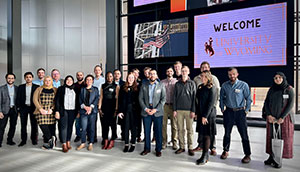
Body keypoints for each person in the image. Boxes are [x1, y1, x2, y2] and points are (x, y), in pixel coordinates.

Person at [219, 67, 252, 163]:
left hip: (240, 112)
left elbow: (248, 99)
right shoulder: (225, 85)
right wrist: (222, 108)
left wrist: (246, 110)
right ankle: (225, 150)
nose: (232, 76)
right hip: (228, 112)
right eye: (230, 74)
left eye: (233, 74)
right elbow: (221, 98)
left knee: (244, 134)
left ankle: (247, 154)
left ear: (237, 74)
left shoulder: (243, 85)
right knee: (227, 133)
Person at [263, 72, 295, 168]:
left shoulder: (289, 89)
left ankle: (278, 160)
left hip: (284, 120)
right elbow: (266, 102)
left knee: (282, 139)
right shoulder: (271, 89)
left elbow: (290, 105)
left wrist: (282, 117)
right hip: (272, 119)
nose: (278, 79)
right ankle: (271, 157)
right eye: (276, 78)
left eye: (280, 78)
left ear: (283, 78)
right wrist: (268, 115)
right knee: (271, 138)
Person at [193, 61, 220, 155]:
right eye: (203, 67)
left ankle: (212, 147)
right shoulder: (197, 80)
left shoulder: (214, 80)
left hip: (210, 110)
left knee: (210, 130)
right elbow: (196, 95)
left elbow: (216, 95)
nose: (204, 68)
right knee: (201, 130)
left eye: (206, 67)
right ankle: (200, 145)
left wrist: (213, 106)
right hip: (200, 109)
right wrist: (197, 110)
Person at [139, 69, 166, 157]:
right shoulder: (144, 85)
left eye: (154, 74)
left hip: (157, 112)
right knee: (147, 131)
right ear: (148, 75)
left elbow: (163, 99)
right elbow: (140, 99)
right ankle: (147, 148)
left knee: (158, 132)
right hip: (146, 111)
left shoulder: (161, 85)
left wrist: (156, 109)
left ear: (156, 75)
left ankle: (158, 149)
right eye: (150, 74)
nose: (152, 75)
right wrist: (146, 109)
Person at [195, 71, 217, 165]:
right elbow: (197, 101)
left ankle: (205, 155)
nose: (202, 78)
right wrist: (197, 113)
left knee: (207, 135)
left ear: (208, 77)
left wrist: (205, 116)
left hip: (208, 116)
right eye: (201, 76)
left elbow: (211, 103)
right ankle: (204, 155)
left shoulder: (212, 88)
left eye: (204, 77)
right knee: (202, 135)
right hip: (200, 114)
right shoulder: (200, 87)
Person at [173, 66, 196, 156]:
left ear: (189, 72)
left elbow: (194, 98)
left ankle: (190, 147)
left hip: (189, 110)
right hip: (179, 110)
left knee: (189, 130)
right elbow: (174, 97)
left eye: (186, 71)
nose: (184, 72)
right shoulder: (177, 84)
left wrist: (193, 110)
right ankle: (182, 147)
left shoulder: (192, 83)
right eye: (182, 71)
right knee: (180, 129)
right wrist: (174, 109)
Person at [54, 75, 78, 153]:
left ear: (73, 81)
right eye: (67, 79)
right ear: (65, 81)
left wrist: (78, 112)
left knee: (70, 126)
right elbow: (57, 101)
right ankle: (64, 144)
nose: (69, 81)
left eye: (71, 80)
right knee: (63, 127)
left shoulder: (76, 89)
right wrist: (57, 111)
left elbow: (78, 101)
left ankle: (68, 141)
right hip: (63, 110)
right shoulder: (61, 89)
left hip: (72, 111)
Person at [33, 76, 57, 150]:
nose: (47, 82)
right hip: (41, 110)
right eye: (46, 80)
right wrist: (40, 109)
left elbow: (56, 101)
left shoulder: (55, 89)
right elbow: (35, 100)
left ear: (51, 81)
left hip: (50, 110)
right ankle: (51, 139)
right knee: (43, 125)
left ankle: (49, 143)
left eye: (49, 80)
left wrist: (52, 109)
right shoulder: (39, 89)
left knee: (51, 127)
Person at [118, 72, 139, 152]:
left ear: (134, 79)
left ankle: (133, 144)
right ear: (127, 78)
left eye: (132, 78)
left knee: (133, 128)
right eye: (129, 78)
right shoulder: (123, 88)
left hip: (134, 111)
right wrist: (119, 111)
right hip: (125, 111)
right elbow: (119, 100)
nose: (130, 79)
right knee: (125, 128)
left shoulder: (137, 88)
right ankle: (126, 144)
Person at [76, 75, 99, 151]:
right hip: (84, 111)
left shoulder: (95, 89)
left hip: (92, 112)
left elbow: (96, 99)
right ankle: (83, 143)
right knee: (83, 127)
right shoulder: (82, 89)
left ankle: (91, 143)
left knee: (92, 128)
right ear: (85, 81)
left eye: (90, 79)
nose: (89, 81)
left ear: (93, 81)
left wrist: (90, 107)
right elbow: (79, 100)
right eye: (87, 80)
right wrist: (85, 107)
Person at [16, 72, 39, 147]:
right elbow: (18, 98)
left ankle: (34, 139)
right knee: (23, 125)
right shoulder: (21, 87)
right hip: (23, 108)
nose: (28, 78)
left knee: (34, 125)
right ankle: (23, 140)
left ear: (32, 78)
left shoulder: (36, 87)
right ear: (24, 78)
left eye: (30, 77)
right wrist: (18, 110)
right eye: (27, 77)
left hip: (33, 108)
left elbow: (38, 99)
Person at [98, 72, 119, 150]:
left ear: (113, 77)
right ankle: (105, 140)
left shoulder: (116, 86)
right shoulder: (103, 86)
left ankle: (112, 140)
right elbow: (101, 97)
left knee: (113, 125)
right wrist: (99, 108)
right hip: (104, 107)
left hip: (112, 108)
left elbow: (117, 98)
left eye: (110, 76)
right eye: (107, 76)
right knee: (104, 125)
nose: (109, 78)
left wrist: (116, 109)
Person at [161, 67, 178, 150]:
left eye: (171, 71)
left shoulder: (176, 82)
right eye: (168, 71)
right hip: (164, 106)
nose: (169, 72)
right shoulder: (162, 82)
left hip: (173, 106)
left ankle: (174, 142)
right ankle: (164, 142)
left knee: (174, 125)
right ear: (166, 72)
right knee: (163, 125)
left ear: (173, 72)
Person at [0, 73, 18, 147]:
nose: (10, 80)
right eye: (9, 78)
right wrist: (0, 111)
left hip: (14, 110)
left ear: (14, 79)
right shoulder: (1, 88)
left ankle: (10, 140)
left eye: (12, 78)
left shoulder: (17, 88)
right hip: (4, 110)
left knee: (13, 126)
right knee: (1, 127)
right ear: (6, 79)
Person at [93, 65, 105, 143]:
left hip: (102, 102)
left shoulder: (104, 80)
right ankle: (93, 137)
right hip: (93, 102)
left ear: (101, 71)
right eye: (96, 70)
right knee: (93, 121)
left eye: (99, 70)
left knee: (103, 121)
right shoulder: (92, 80)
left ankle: (104, 137)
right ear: (94, 71)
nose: (97, 71)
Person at [74, 71, 85, 142]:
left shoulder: (86, 85)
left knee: (84, 123)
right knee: (77, 123)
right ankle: (78, 135)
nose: (79, 76)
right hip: (76, 107)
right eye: (78, 75)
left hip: (85, 107)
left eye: (81, 75)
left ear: (83, 76)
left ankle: (85, 135)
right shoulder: (74, 85)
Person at [132, 68, 142, 142]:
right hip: (131, 105)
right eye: (134, 73)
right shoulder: (129, 81)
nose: (136, 75)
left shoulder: (141, 82)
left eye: (137, 73)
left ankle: (138, 135)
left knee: (139, 121)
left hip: (139, 105)